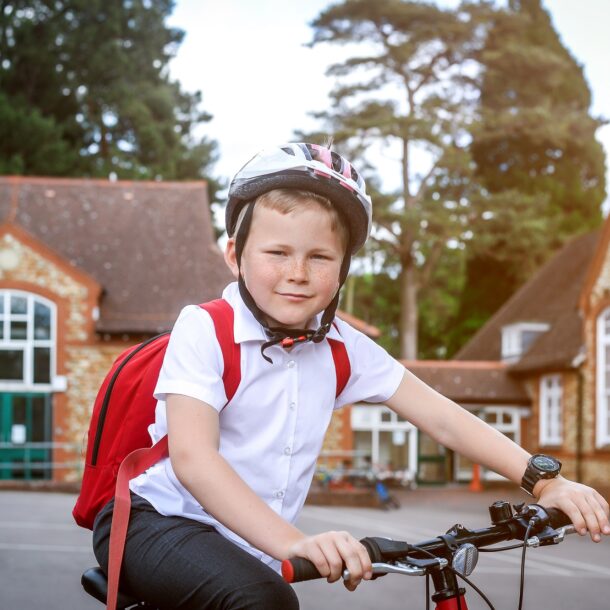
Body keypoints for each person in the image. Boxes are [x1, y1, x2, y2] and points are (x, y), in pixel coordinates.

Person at [92, 142, 610, 610]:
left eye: (320, 257)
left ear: (342, 270)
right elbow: (194, 459)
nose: (298, 273)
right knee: (264, 602)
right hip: (157, 520)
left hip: (252, 540)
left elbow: (444, 419)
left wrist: (545, 480)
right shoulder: (205, 327)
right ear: (235, 255)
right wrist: (293, 541)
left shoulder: (343, 348)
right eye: (277, 253)